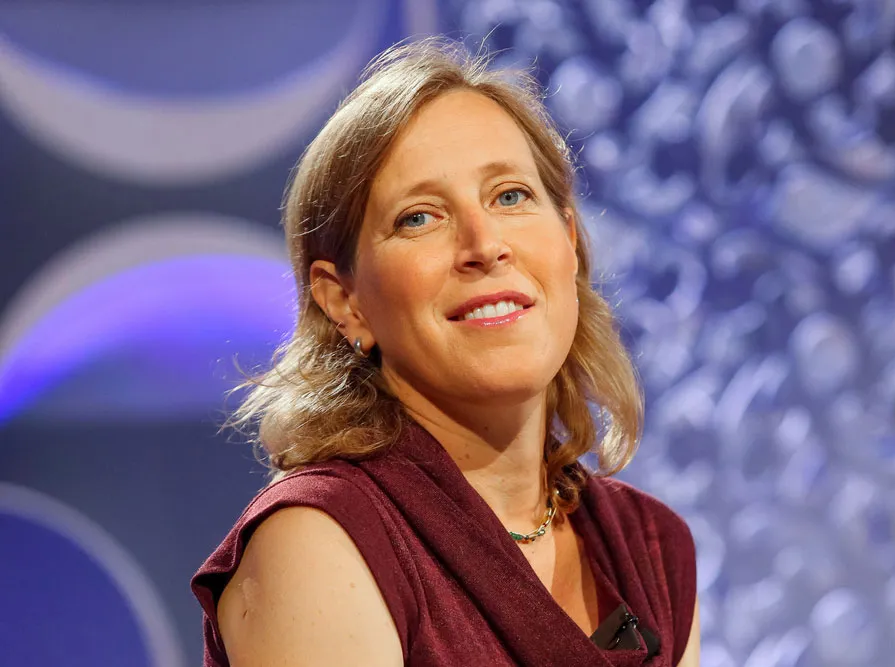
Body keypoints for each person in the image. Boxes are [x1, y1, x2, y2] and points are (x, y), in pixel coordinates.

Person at [192, 37, 699, 667]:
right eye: (420, 217)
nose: (484, 245)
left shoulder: (653, 549)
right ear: (345, 301)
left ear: (569, 241)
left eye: (510, 196)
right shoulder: (320, 540)